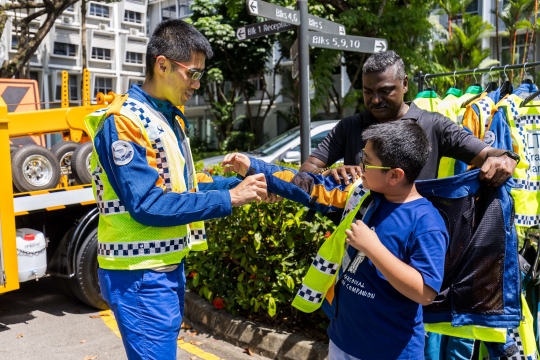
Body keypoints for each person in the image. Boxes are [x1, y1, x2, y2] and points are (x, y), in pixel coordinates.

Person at [83, 19, 267, 360]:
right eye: (192, 73)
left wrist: (240, 185)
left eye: (201, 75)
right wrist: (229, 198)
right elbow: (147, 203)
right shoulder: (124, 120)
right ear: (162, 64)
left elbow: (183, 186)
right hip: (138, 274)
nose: (197, 84)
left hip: (161, 267)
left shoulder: (166, 116)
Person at [223, 120, 449, 359]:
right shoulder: (363, 194)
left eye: (368, 162)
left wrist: (373, 248)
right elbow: (307, 186)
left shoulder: (426, 223)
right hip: (342, 340)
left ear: (395, 175)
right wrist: (253, 166)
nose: (360, 167)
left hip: (389, 350)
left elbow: (425, 292)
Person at [300, 50, 517, 188]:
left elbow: (488, 153)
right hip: (359, 240)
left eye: (385, 91)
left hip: (414, 241)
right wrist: (328, 172)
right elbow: (307, 169)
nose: (375, 100)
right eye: (368, 92)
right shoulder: (349, 127)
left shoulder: (433, 125)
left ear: (404, 84)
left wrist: (506, 158)